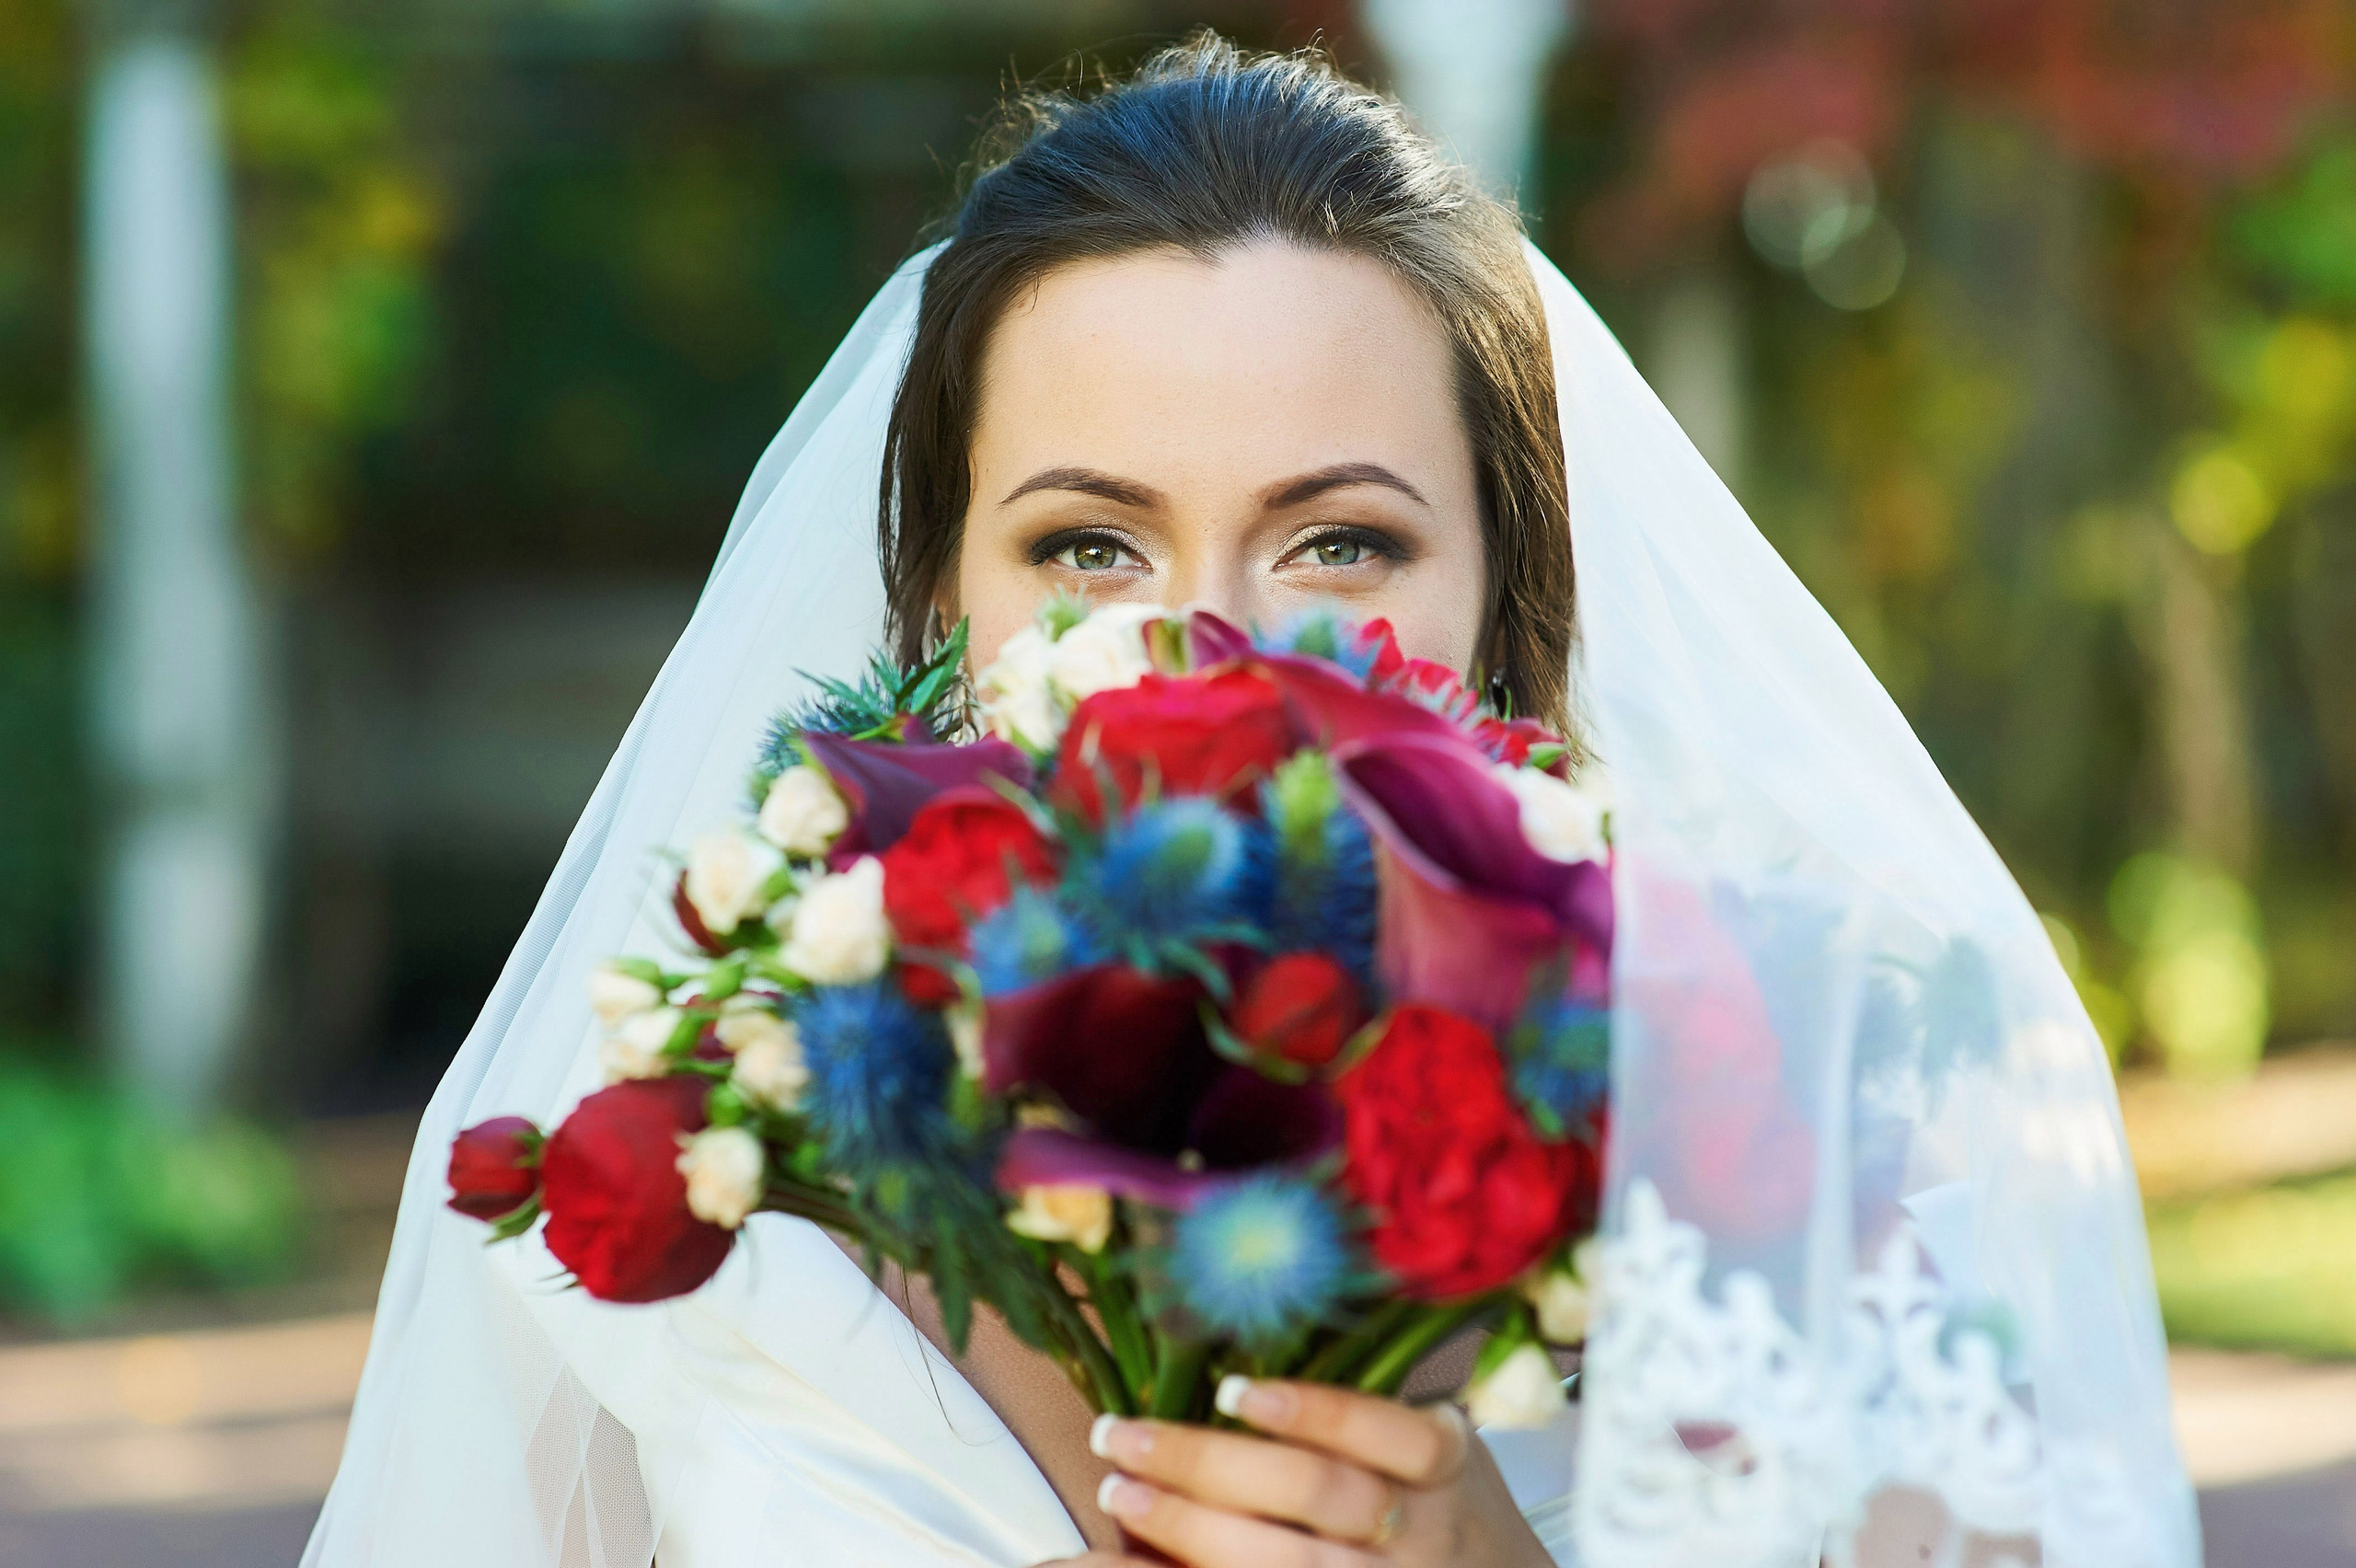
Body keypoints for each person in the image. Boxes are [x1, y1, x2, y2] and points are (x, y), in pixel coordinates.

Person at [305, 36, 2198, 1568]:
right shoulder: (694, 1184)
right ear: (929, 609)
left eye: (1340, 539)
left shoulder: (1811, 1197)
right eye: (1086, 544)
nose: (1211, 648)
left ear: (1513, 608)